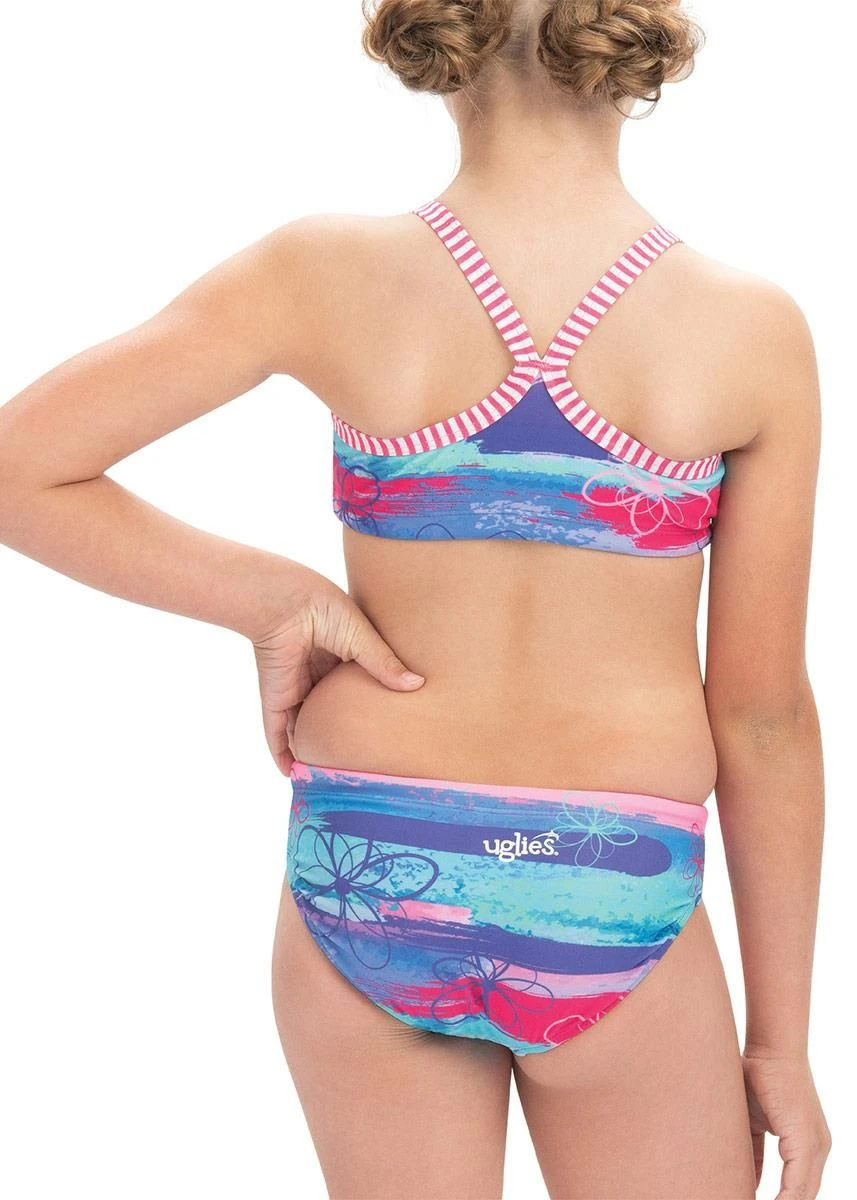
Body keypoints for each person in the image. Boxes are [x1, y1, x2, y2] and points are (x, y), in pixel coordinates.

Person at [0, 1, 832, 1196]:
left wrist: (274, 598)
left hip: (372, 862)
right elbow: (761, 717)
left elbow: (20, 466)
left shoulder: (323, 273)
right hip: (603, 875)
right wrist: (780, 1043)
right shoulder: (746, 330)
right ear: (633, 38)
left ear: (439, 41)